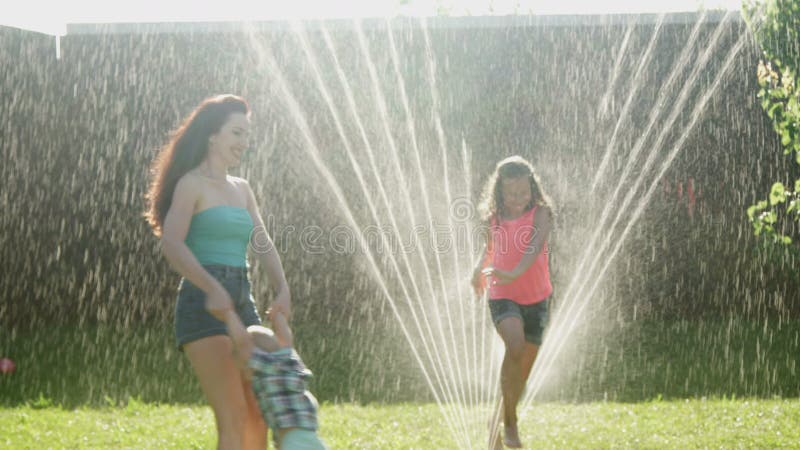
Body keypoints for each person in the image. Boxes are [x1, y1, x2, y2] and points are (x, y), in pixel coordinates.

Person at [145, 94, 292, 449]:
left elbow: (262, 242)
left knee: (259, 413)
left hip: (243, 301)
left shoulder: (241, 189)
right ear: (213, 136)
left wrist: (283, 288)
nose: (245, 142)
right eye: (237, 133)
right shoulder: (191, 184)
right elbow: (172, 244)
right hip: (203, 304)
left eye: (247, 134)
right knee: (234, 415)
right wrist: (210, 286)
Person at [471, 155, 554, 449]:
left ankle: (499, 418)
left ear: (532, 188)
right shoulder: (493, 218)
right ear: (499, 192)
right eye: (510, 193)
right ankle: (511, 424)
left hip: (537, 299)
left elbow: (533, 250)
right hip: (502, 294)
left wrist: (514, 273)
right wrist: (478, 270)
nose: (518, 199)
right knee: (515, 346)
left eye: (523, 192)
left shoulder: (541, 214)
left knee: (521, 371)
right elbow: (490, 250)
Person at [246, 310, 327, 450]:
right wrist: (278, 316)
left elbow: (242, 348)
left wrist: (229, 315)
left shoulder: (266, 365)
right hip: (309, 436)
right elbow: (286, 337)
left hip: (294, 441)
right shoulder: (289, 357)